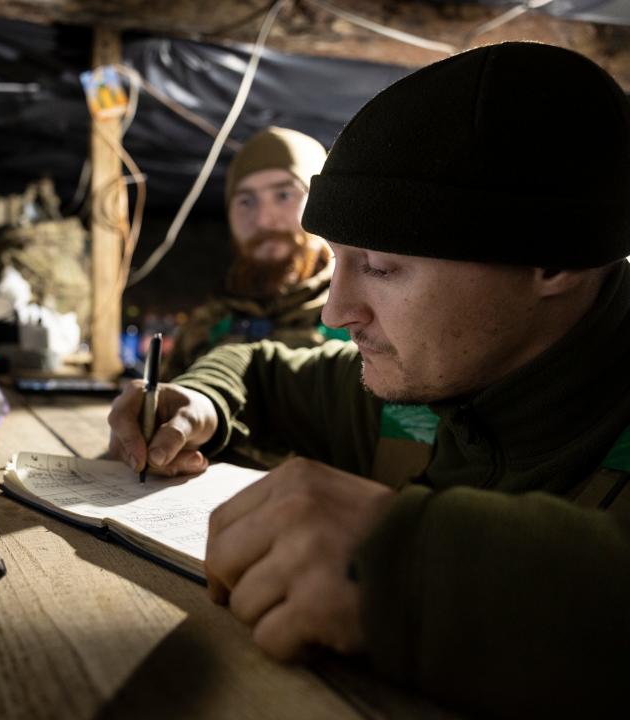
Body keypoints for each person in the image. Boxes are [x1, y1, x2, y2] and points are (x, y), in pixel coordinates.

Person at [107, 41, 630, 718]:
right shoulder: (431, 378)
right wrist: (202, 401)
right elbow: (261, 369)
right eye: (335, 260)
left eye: (381, 266)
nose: (335, 310)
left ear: (554, 259)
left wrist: (415, 573)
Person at [161, 127, 334, 382]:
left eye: (284, 195)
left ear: (322, 203)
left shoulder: (362, 320)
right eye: (246, 201)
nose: (263, 220)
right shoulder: (205, 328)